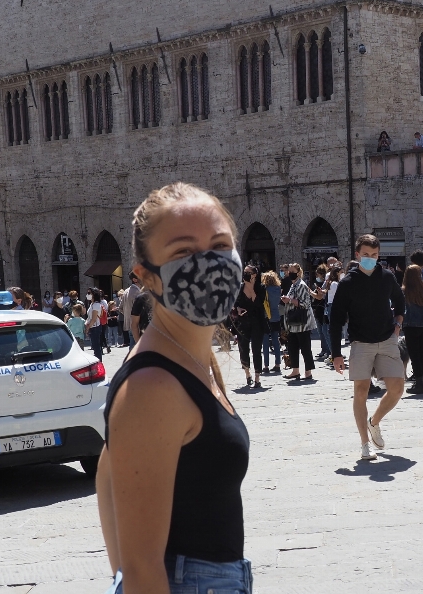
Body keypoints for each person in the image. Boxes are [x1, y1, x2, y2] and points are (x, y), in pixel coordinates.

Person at [97, 183, 251, 594]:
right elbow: (143, 567)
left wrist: (121, 574)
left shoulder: (193, 358)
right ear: (146, 276)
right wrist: (126, 574)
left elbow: (108, 474)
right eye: (183, 252)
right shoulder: (153, 386)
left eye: (220, 244)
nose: (210, 263)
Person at [329, 234, 406, 461]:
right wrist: (335, 353)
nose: (370, 259)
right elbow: (335, 320)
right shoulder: (347, 283)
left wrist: (398, 323)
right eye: (366, 255)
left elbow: (400, 301)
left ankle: (375, 422)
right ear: (357, 255)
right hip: (361, 343)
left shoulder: (386, 277)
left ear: (378, 255)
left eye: (374, 255)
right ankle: (364, 444)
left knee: (397, 388)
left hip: (387, 339)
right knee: (361, 392)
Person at [401, 265, 423, 395]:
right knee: (422, 354)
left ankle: (419, 382)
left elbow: (400, 309)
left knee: (415, 356)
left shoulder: (404, 291)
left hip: (411, 326)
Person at [281, 263, 316, 380]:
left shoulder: (301, 285)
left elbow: (305, 303)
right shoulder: (294, 285)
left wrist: (289, 300)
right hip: (293, 323)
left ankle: (308, 372)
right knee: (293, 347)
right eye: (289, 271)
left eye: (292, 271)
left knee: (305, 348)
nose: (289, 273)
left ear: (298, 272)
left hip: (302, 323)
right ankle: (295, 370)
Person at [234, 264, 267, 388]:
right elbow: (235, 303)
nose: (245, 274)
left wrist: (251, 287)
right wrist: (238, 309)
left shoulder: (261, 287)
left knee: (256, 349)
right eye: (245, 272)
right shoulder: (239, 287)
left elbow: (258, 303)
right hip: (243, 323)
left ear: (254, 275)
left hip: (257, 322)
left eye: (248, 272)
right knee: (243, 348)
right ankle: (247, 374)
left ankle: (257, 377)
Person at [261, 271, 283, 373]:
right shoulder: (278, 289)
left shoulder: (264, 289)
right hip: (276, 316)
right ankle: (277, 364)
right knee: (275, 340)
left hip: (266, 317)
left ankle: (266, 366)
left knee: (265, 341)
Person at [121, 272, 140, 349]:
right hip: (137, 324)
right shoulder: (136, 292)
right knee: (135, 347)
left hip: (129, 322)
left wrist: (127, 315)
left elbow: (120, 308)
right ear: (135, 279)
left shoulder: (126, 291)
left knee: (132, 345)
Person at [85, 290, 105, 361]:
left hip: (95, 327)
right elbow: (89, 317)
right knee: (95, 346)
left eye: (89, 293)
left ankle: (99, 362)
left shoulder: (96, 305)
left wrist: (87, 328)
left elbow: (93, 319)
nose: (88, 294)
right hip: (92, 327)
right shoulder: (92, 304)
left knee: (96, 347)